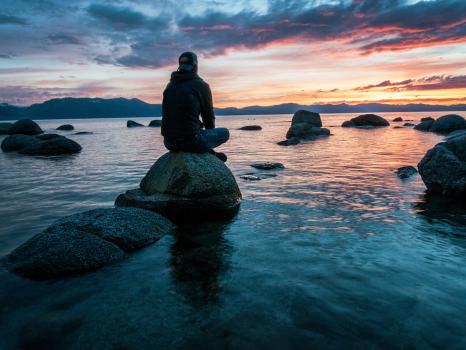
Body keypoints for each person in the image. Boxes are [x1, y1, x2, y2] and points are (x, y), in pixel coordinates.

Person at [161, 51, 229, 162]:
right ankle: (209, 153)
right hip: (191, 142)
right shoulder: (201, 85)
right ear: (195, 66)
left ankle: (208, 151)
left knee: (195, 129)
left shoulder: (170, 86)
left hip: (169, 143)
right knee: (225, 133)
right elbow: (208, 117)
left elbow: (166, 113)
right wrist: (208, 139)